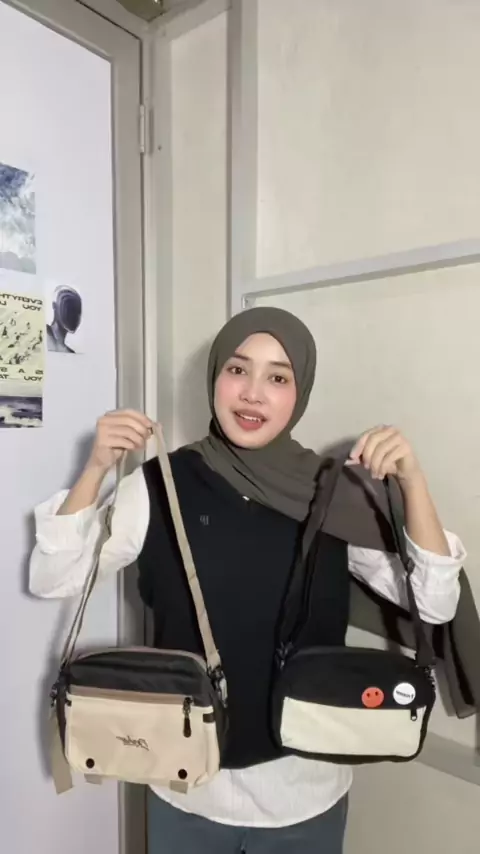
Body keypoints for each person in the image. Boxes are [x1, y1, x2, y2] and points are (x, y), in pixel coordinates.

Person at [29, 307, 465, 853]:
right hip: (184, 783)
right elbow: (54, 578)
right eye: (238, 370)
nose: (253, 393)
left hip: (305, 790)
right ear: (216, 377)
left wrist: (413, 483)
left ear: (300, 393)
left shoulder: (332, 492)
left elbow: (435, 603)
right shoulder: (161, 484)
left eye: (278, 377)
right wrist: (95, 468)